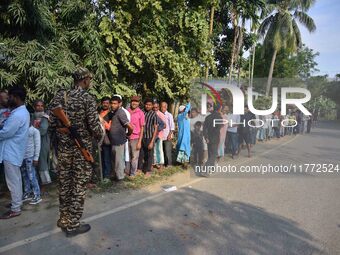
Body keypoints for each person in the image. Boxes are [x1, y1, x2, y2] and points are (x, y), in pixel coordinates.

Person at [49, 67, 104, 237]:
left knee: (65, 184)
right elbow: (95, 128)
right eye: (89, 79)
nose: (90, 82)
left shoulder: (60, 96)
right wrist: (100, 134)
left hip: (64, 149)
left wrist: (63, 131)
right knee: (78, 186)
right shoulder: (87, 98)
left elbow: (51, 123)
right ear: (85, 80)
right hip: (81, 149)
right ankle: (73, 225)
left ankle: (64, 219)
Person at [0, 86, 30, 219]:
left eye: (10, 97)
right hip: (14, 151)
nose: (8, 99)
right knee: (16, 179)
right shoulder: (20, 112)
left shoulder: (18, 114)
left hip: (11, 152)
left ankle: (15, 208)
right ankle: (16, 202)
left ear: (16, 98)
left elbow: (6, 132)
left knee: (13, 181)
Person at [108, 96, 133, 182]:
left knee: (119, 161)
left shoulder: (120, 112)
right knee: (115, 160)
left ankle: (120, 178)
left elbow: (130, 126)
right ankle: (117, 176)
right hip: (114, 141)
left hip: (119, 141)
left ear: (120, 104)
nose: (112, 105)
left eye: (115, 103)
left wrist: (128, 133)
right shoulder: (114, 112)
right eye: (111, 103)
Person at [21, 116, 42, 205]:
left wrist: (36, 158)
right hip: (22, 157)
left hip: (31, 157)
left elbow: (38, 145)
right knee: (24, 175)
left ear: (30, 120)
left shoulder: (35, 131)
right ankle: (27, 192)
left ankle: (37, 195)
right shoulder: (21, 130)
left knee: (32, 176)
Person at [32, 100, 52, 186]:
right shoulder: (31, 116)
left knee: (42, 161)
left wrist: (32, 132)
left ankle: (44, 182)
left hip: (44, 141)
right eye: (37, 106)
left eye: (41, 106)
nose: (40, 107)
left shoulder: (45, 117)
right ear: (34, 107)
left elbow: (43, 130)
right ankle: (36, 182)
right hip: (32, 143)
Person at [139, 98, 158, 177]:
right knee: (141, 154)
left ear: (152, 106)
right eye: (146, 104)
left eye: (149, 105)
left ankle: (148, 170)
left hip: (149, 137)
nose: (148, 106)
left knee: (149, 154)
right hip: (141, 137)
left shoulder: (154, 114)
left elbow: (155, 128)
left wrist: (152, 141)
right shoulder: (141, 112)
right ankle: (139, 169)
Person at [127, 96, 145, 176]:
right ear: (130, 102)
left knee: (134, 157)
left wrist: (139, 142)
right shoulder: (126, 111)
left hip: (135, 138)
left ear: (138, 103)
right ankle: (126, 172)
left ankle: (132, 173)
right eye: (133, 101)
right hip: (126, 137)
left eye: (136, 101)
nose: (134, 103)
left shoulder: (140, 113)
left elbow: (142, 128)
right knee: (127, 156)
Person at [203, 104, 222, 170]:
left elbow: (204, 129)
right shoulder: (219, 117)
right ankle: (205, 169)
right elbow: (218, 129)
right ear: (219, 109)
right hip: (215, 138)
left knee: (210, 154)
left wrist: (206, 137)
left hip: (208, 138)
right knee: (213, 154)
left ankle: (211, 167)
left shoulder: (208, 117)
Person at [98, 96, 112, 180]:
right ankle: (102, 175)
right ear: (101, 103)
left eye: (107, 103)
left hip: (107, 139)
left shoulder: (111, 114)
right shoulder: (99, 112)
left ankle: (107, 176)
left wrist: (101, 120)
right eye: (104, 103)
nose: (105, 104)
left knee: (107, 158)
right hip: (99, 139)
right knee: (101, 158)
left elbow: (109, 127)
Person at [176, 101, 191, 168]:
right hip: (183, 136)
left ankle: (185, 161)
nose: (186, 112)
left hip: (187, 136)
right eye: (185, 110)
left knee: (186, 148)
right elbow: (186, 111)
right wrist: (189, 103)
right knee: (183, 148)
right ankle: (183, 162)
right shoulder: (180, 116)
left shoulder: (186, 118)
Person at [160, 102, 175, 167]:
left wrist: (169, 135)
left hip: (167, 136)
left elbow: (172, 126)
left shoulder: (169, 115)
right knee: (162, 150)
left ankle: (169, 164)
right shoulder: (159, 114)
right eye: (161, 107)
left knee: (167, 150)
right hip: (161, 136)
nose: (162, 108)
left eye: (164, 107)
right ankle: (164, 163)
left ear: (166, 107)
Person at [153, 102, 166, 169]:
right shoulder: (152, 113)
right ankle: (155, 163)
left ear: (158, 107)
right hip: (152, 135)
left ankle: (161, 163)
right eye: (154, 107)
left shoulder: (161, 114)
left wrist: (157, 129)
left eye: (156, 107)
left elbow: (164, 125)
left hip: (159, 135)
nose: (155, 109)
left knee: (159, 149)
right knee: (154, 149)